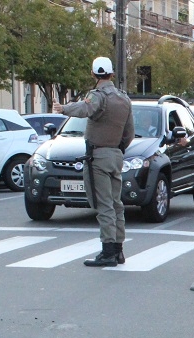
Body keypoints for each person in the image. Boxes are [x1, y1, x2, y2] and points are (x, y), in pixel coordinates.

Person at [53, 56, 134, 267]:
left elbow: (86, 109)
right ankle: (118, 249)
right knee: (117, 204)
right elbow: (129, 132)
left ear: (93, 74)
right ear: (111, 74)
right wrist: (118, 148)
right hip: (116, 155)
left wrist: (64, 109)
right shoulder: (123, 98)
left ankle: (108, 251)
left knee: (104, 204)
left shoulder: (97, 96)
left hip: (98, 155)